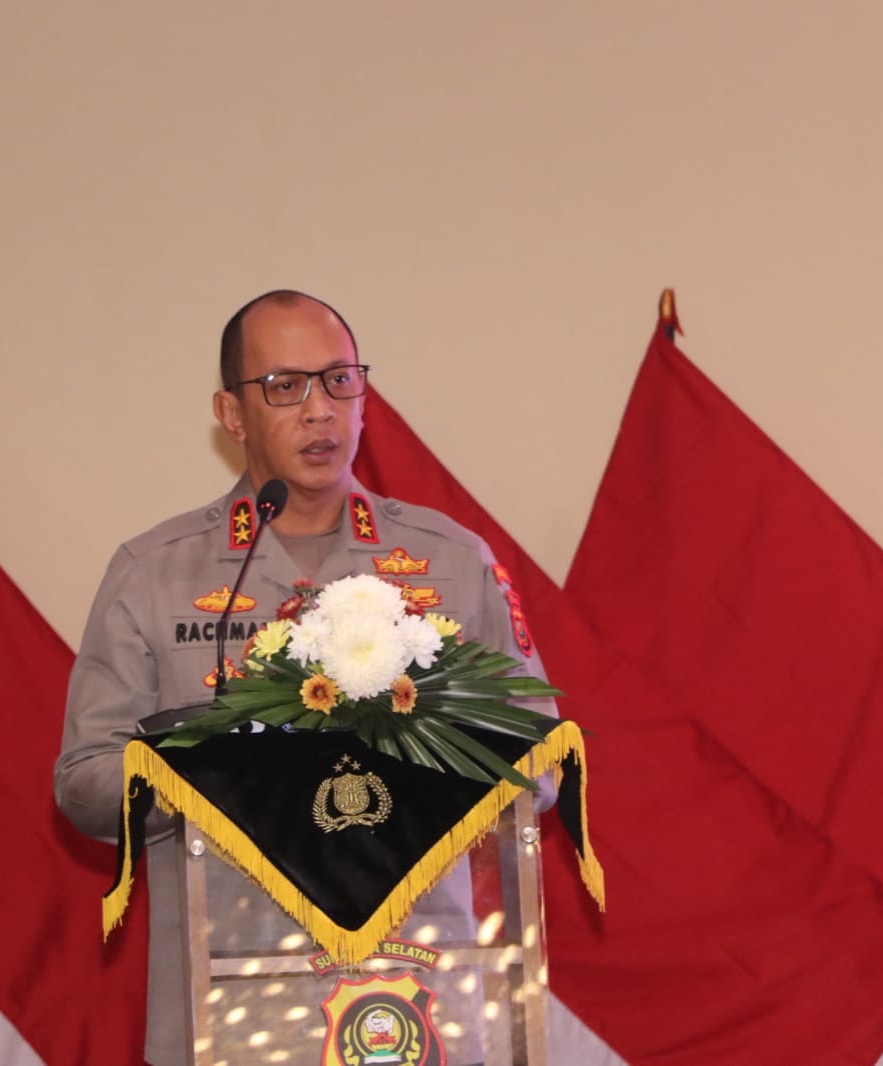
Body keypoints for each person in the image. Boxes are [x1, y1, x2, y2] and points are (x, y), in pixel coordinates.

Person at [54, 290, 553, 1065]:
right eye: (283, 386)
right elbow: (84, 783)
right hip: (229, 1000)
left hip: (419, 995)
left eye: (338, 380)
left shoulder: (451, 562)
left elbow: (541, 762)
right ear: (230, 412)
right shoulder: (154, 574)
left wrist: (422, 749)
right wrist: (207, 777)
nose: (319, 409)